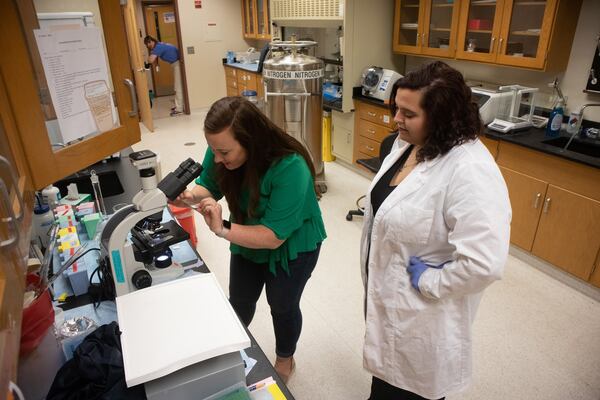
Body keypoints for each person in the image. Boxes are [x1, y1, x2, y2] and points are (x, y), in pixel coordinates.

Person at [360, 61, 511, 400]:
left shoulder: (471, 169)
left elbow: (484, 263)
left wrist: (428, 281)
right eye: (396, 109)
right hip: (388, 302)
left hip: (424, 314)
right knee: (384, 385)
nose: (396, 120)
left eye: (408, 114)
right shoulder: (409, 145)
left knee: (410, 389)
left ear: (442, 117)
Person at [173, 96, 326, 383]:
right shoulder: (220, 149)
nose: (217, 158)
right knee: (240, 300)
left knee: (282, 305)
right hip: (248, 231)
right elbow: (208, 185)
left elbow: (272, 237)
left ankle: (285, 360)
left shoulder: (290, 166)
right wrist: (190, 195)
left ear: (250, 141)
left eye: (224, 153)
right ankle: (228, 352)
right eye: (214, 151)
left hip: (291, 243)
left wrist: (223, 229)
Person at [144, 35, 184, 116]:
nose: (149, 47)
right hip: (176, 64)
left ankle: (179, 109)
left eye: (149, 45)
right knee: (178, 86)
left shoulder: (158, 47)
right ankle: (180, 106)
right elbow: (155, 58)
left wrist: (147, 63)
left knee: (178, 87)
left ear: (152, 41)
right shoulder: (160, 45)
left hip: (177, 64)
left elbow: (151, 60)